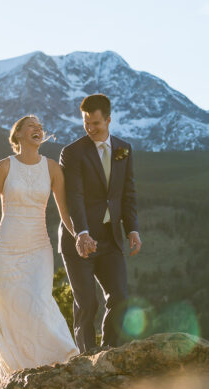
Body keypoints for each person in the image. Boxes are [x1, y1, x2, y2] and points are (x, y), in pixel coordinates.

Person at [0, 115, 79, 383]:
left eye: (40, 127)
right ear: (17, 134)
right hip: (6, 247)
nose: (38, 129)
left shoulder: (53, 168)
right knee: (10, 308)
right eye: (31, 126)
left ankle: (62, 356)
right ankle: (22, 370)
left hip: (39, 246)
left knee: (40, 301)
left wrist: (79, 235)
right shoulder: (3, 167)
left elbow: (65, 211)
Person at [58, 94, 142, 354]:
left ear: (108, 119)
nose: (90, 128)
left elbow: (127, 193)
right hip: (79, 239)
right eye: (86, 123)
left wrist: (132, 229)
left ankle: (108, 352)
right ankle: (86, 357)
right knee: (87, 304)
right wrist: (81, 233)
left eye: (96, 123)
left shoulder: (123, 149)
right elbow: (74, 196)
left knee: (120, 298)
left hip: (110, 237)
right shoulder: (72, 153)